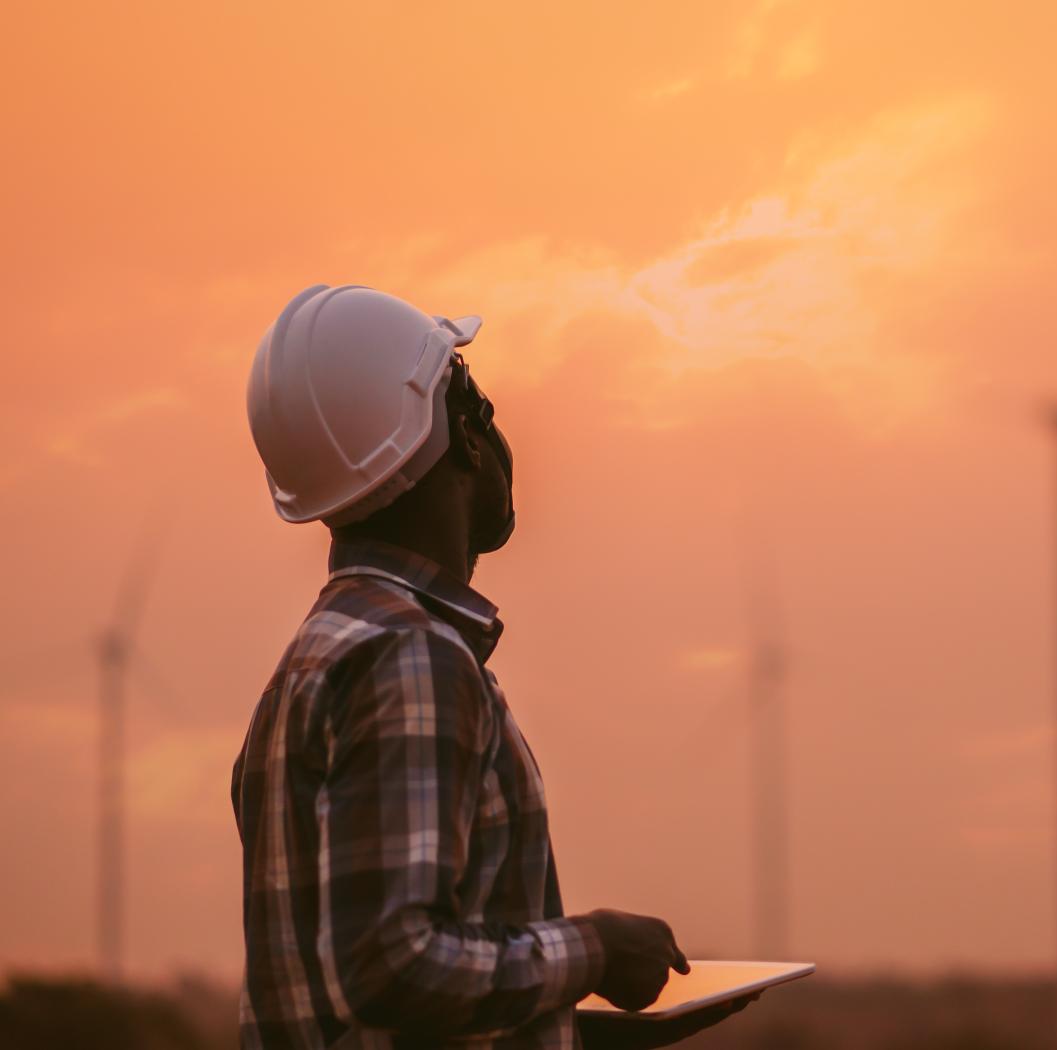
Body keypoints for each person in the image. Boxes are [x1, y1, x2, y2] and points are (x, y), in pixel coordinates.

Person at [233, 285, 755, 1049]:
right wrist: (597, 951)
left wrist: (575, 1029)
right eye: (475, 394)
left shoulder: (309, 665)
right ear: (464, 434)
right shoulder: (411, 658)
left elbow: (348, 1009)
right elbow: (390, 967)